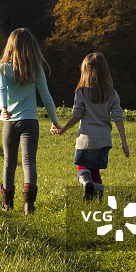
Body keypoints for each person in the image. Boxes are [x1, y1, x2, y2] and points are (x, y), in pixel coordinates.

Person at [0, 28, 61, 214]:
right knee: (29, 162)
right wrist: (54, 121)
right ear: (32, 47)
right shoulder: (36, 70)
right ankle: (28, 206)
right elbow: (46, 97)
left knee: (9, 162)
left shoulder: (2, 68)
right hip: (30, 121)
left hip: (10, 121)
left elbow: (2, 90)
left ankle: (7, 204)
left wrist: (4, 108)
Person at [53, 52, 129, 199]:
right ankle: (97, 198)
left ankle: (86, 182)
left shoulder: (81, 93)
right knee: (95, 170)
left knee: (83, 168)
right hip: (104, 141)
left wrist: (63, 130)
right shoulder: (112, 94)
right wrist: (124, 141)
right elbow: (118, 118)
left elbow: (77, 116)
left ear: (85, 71)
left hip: (85, 140)